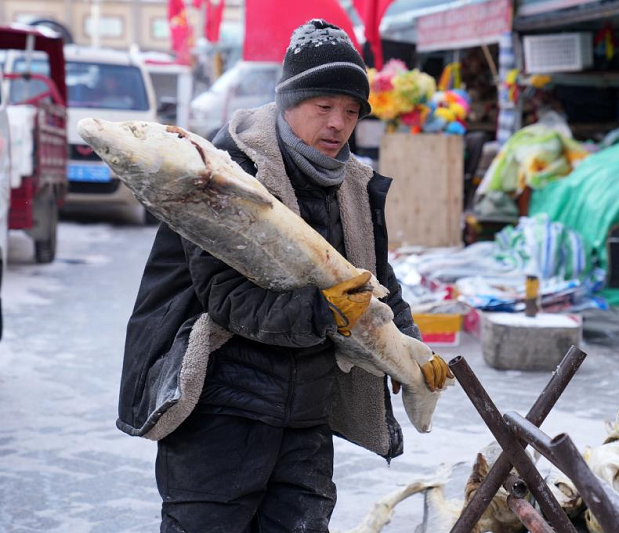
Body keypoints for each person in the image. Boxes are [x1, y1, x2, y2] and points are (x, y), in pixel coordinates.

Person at [116, 19, 451, 533]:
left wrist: (412, 348)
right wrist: (324, 311)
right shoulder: (222, 175)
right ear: (289, 101)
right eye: (324, 108)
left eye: (351, 111)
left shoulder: (351, 187)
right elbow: (227, 300)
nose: (338, 124)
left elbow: (377, 283)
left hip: (305, 414)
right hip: (222, 407)